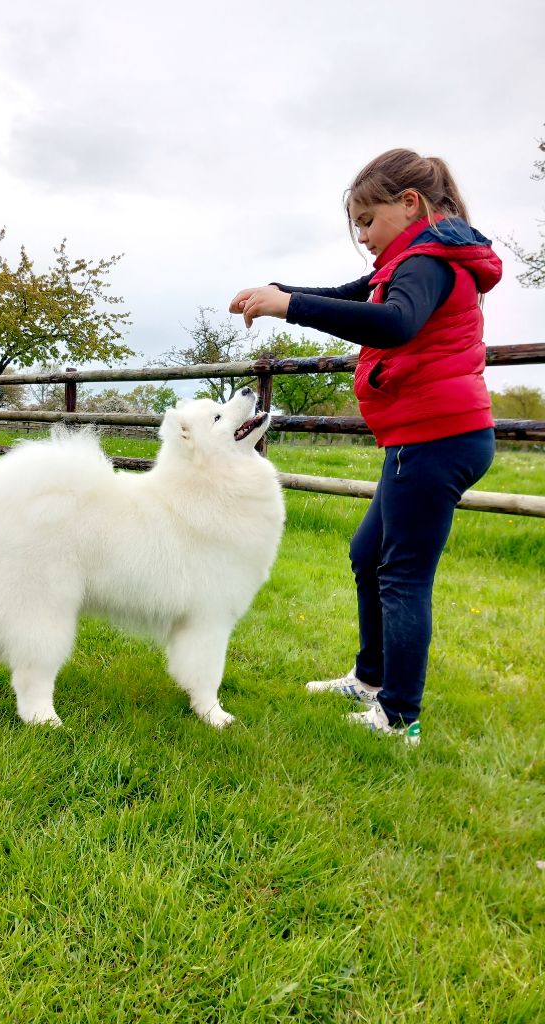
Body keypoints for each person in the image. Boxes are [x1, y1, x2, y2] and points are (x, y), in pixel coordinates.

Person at [229, 148, 502, 745]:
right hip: (426, 435)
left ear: (409, 205)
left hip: (436, 437)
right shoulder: (410, 258)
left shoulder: (427, 262)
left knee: (402, 574)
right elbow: (354, 295)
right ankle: (372, 680)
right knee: (367, 554)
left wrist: (290, 306)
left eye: (367, 220)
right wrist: (279, 291)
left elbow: (396, 324)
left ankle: (399, 715)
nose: (362, 236)